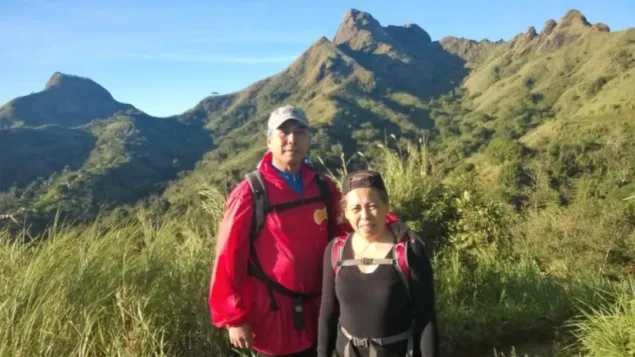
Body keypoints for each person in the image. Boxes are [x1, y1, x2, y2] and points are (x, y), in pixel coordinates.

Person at [208, 105, 411, 357]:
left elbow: (350, 222)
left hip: (321, 309)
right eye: (284, 132)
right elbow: (228, 256)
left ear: (309, 139)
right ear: (268, 140)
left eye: (300, 132)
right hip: (275, 316)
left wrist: (389, 222)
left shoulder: (322, 186)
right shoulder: (251, 193)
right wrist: (234, 317)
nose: (292, 139)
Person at [317, 170, 439, 357]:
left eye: (372, 206)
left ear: (386, 206)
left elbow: (426, 319)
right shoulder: (335, 251)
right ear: (346, 213)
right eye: (356, 209)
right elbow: (328, 312)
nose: (365, 216)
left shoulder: (409, 251)